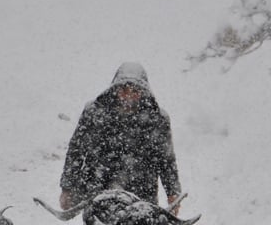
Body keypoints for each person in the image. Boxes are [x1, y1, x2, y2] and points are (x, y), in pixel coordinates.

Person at [59, 62, 182, 211]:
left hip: (142, 195)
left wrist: (173, 193)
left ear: (144, 91)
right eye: (124, 90)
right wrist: (67, 188)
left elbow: (166, 159)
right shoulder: (94, 112)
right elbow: (76, 151)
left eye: (135, 90)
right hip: (98, 192)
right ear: (115, 88)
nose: (129, 96)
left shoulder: (157, 119)